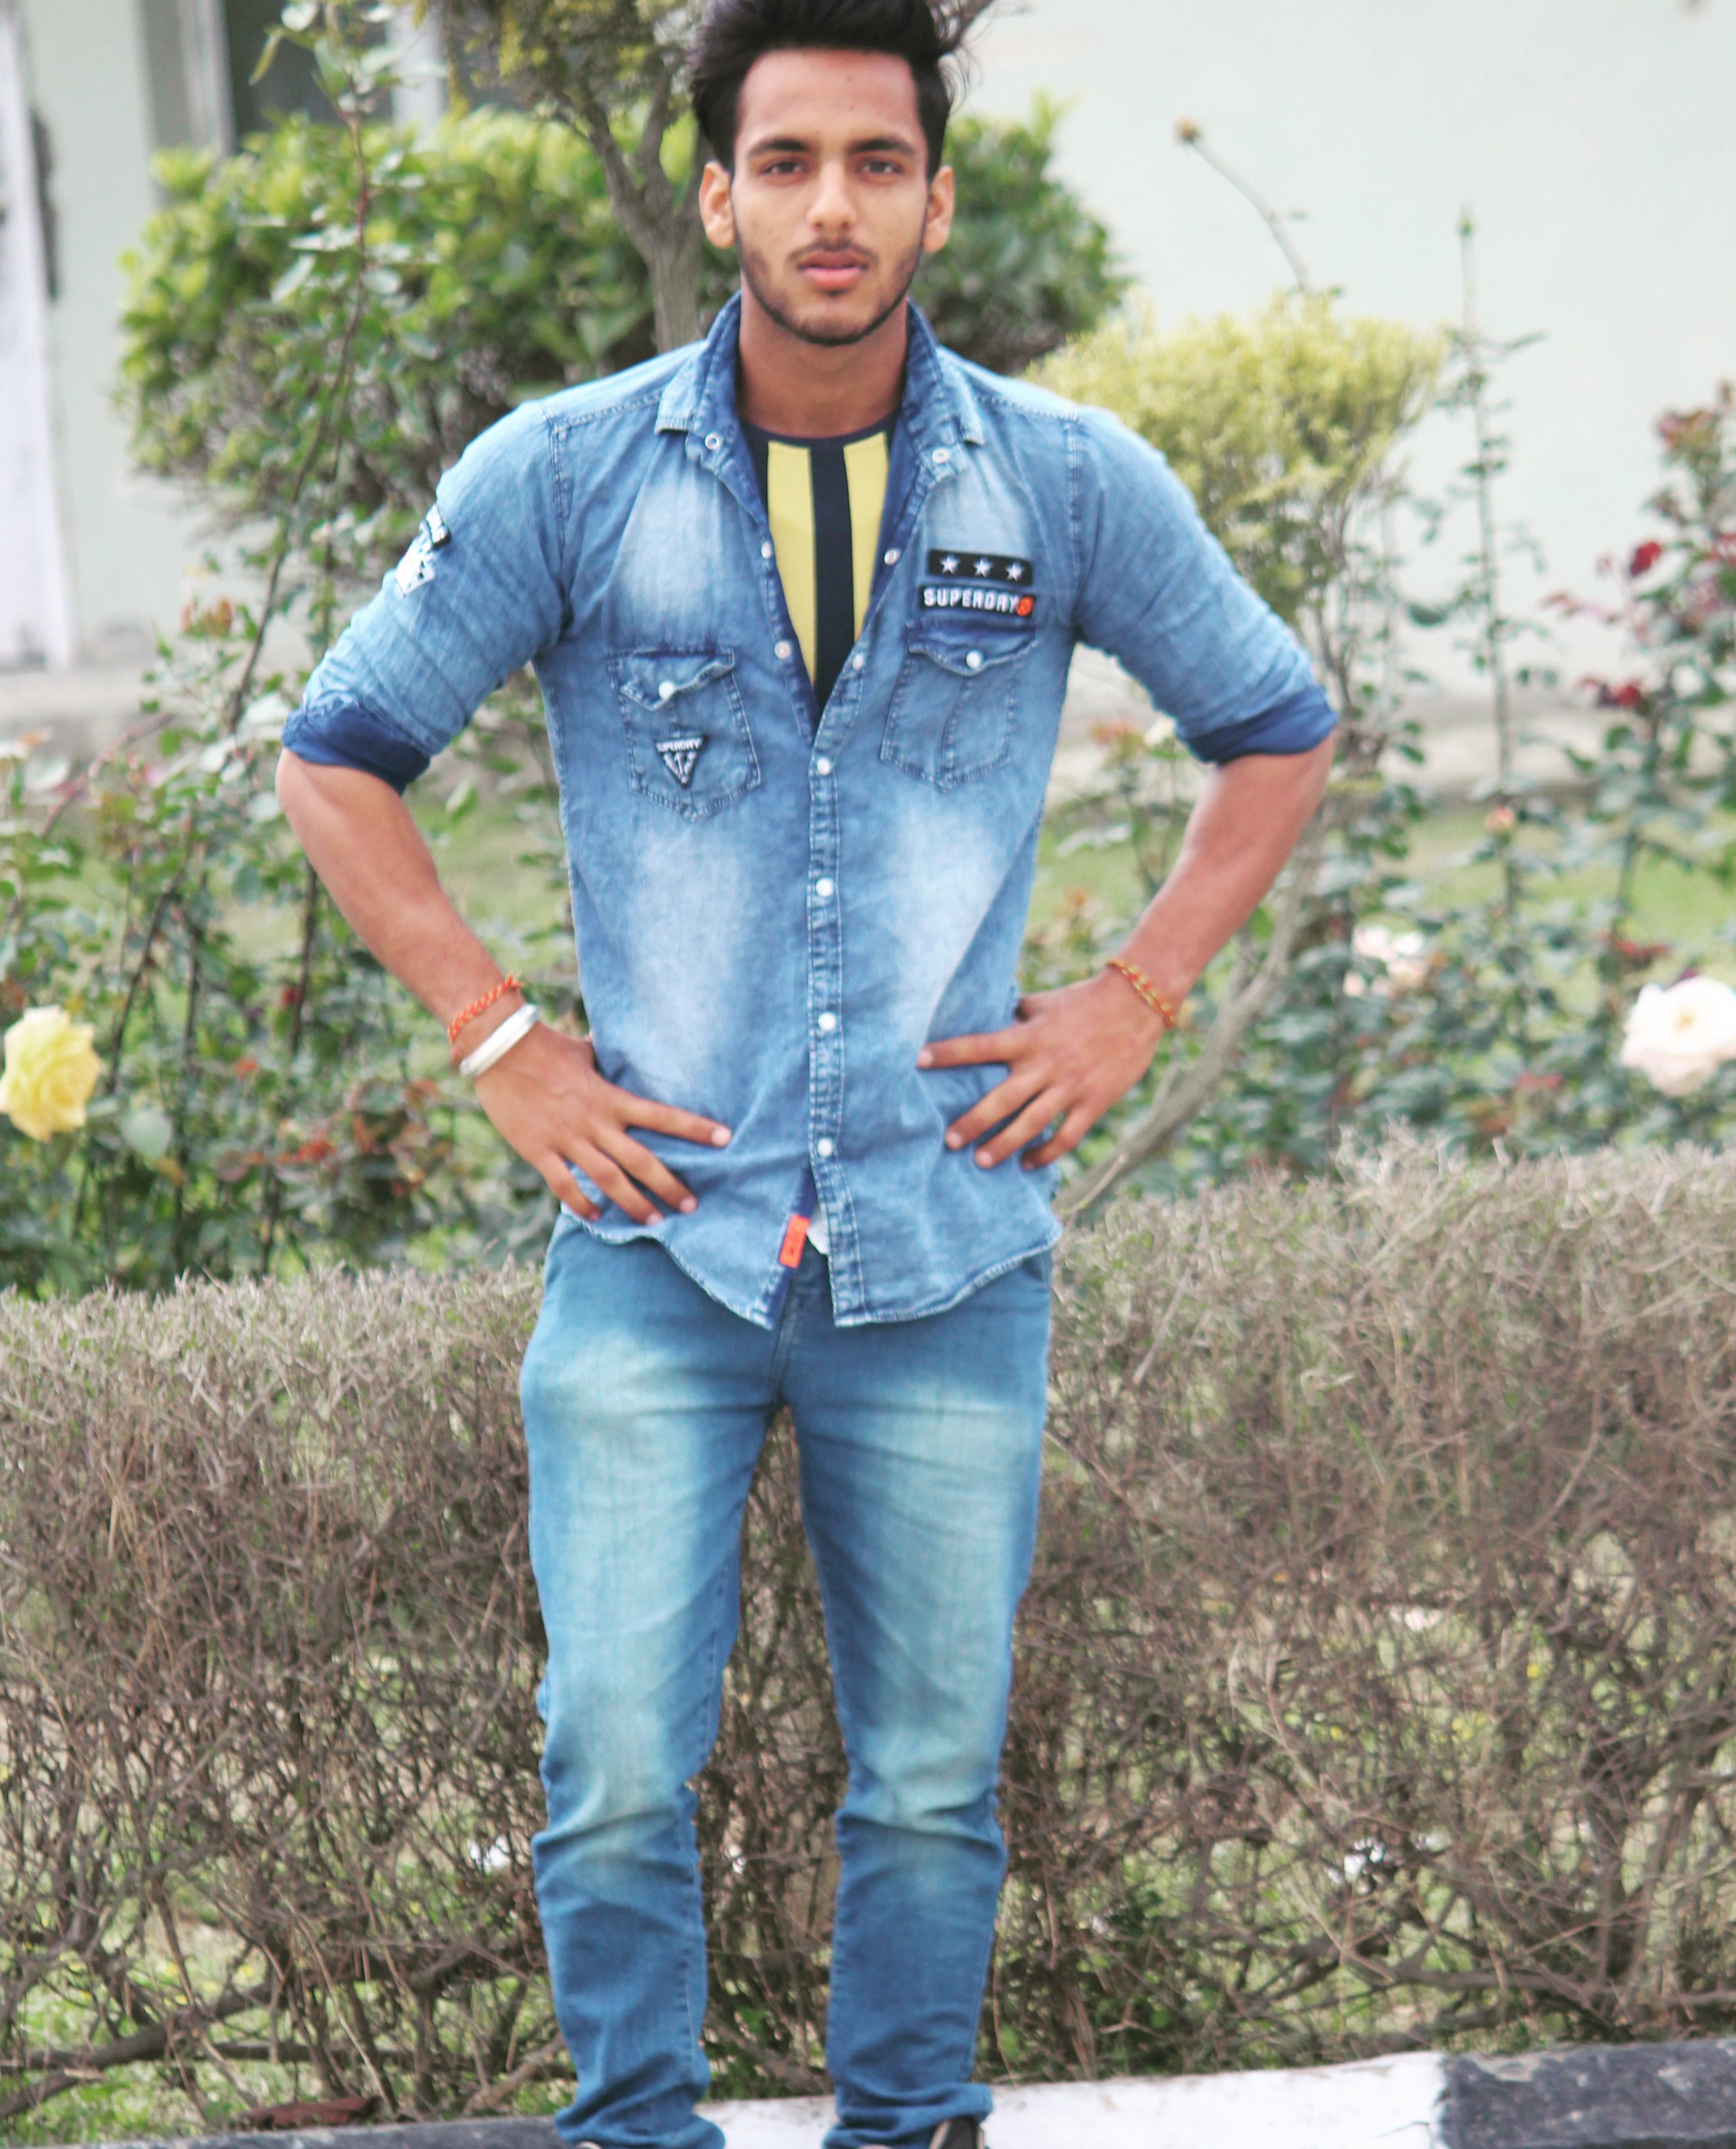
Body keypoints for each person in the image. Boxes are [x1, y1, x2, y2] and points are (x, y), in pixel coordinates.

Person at [275, 0, 1335, 2142]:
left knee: (932, 1773)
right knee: (610, 1760)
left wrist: (1129, 994)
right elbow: (335, 756)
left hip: (940, 1244)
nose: (829, 207)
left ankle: (905, 2122)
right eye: (784, 163)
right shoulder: (567, 475)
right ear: (715, 197)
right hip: (656, 1241)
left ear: (935, 197)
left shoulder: (1063, 480)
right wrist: (499, 1038)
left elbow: (1277, 725)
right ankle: (636, 2127)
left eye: (873, 162)